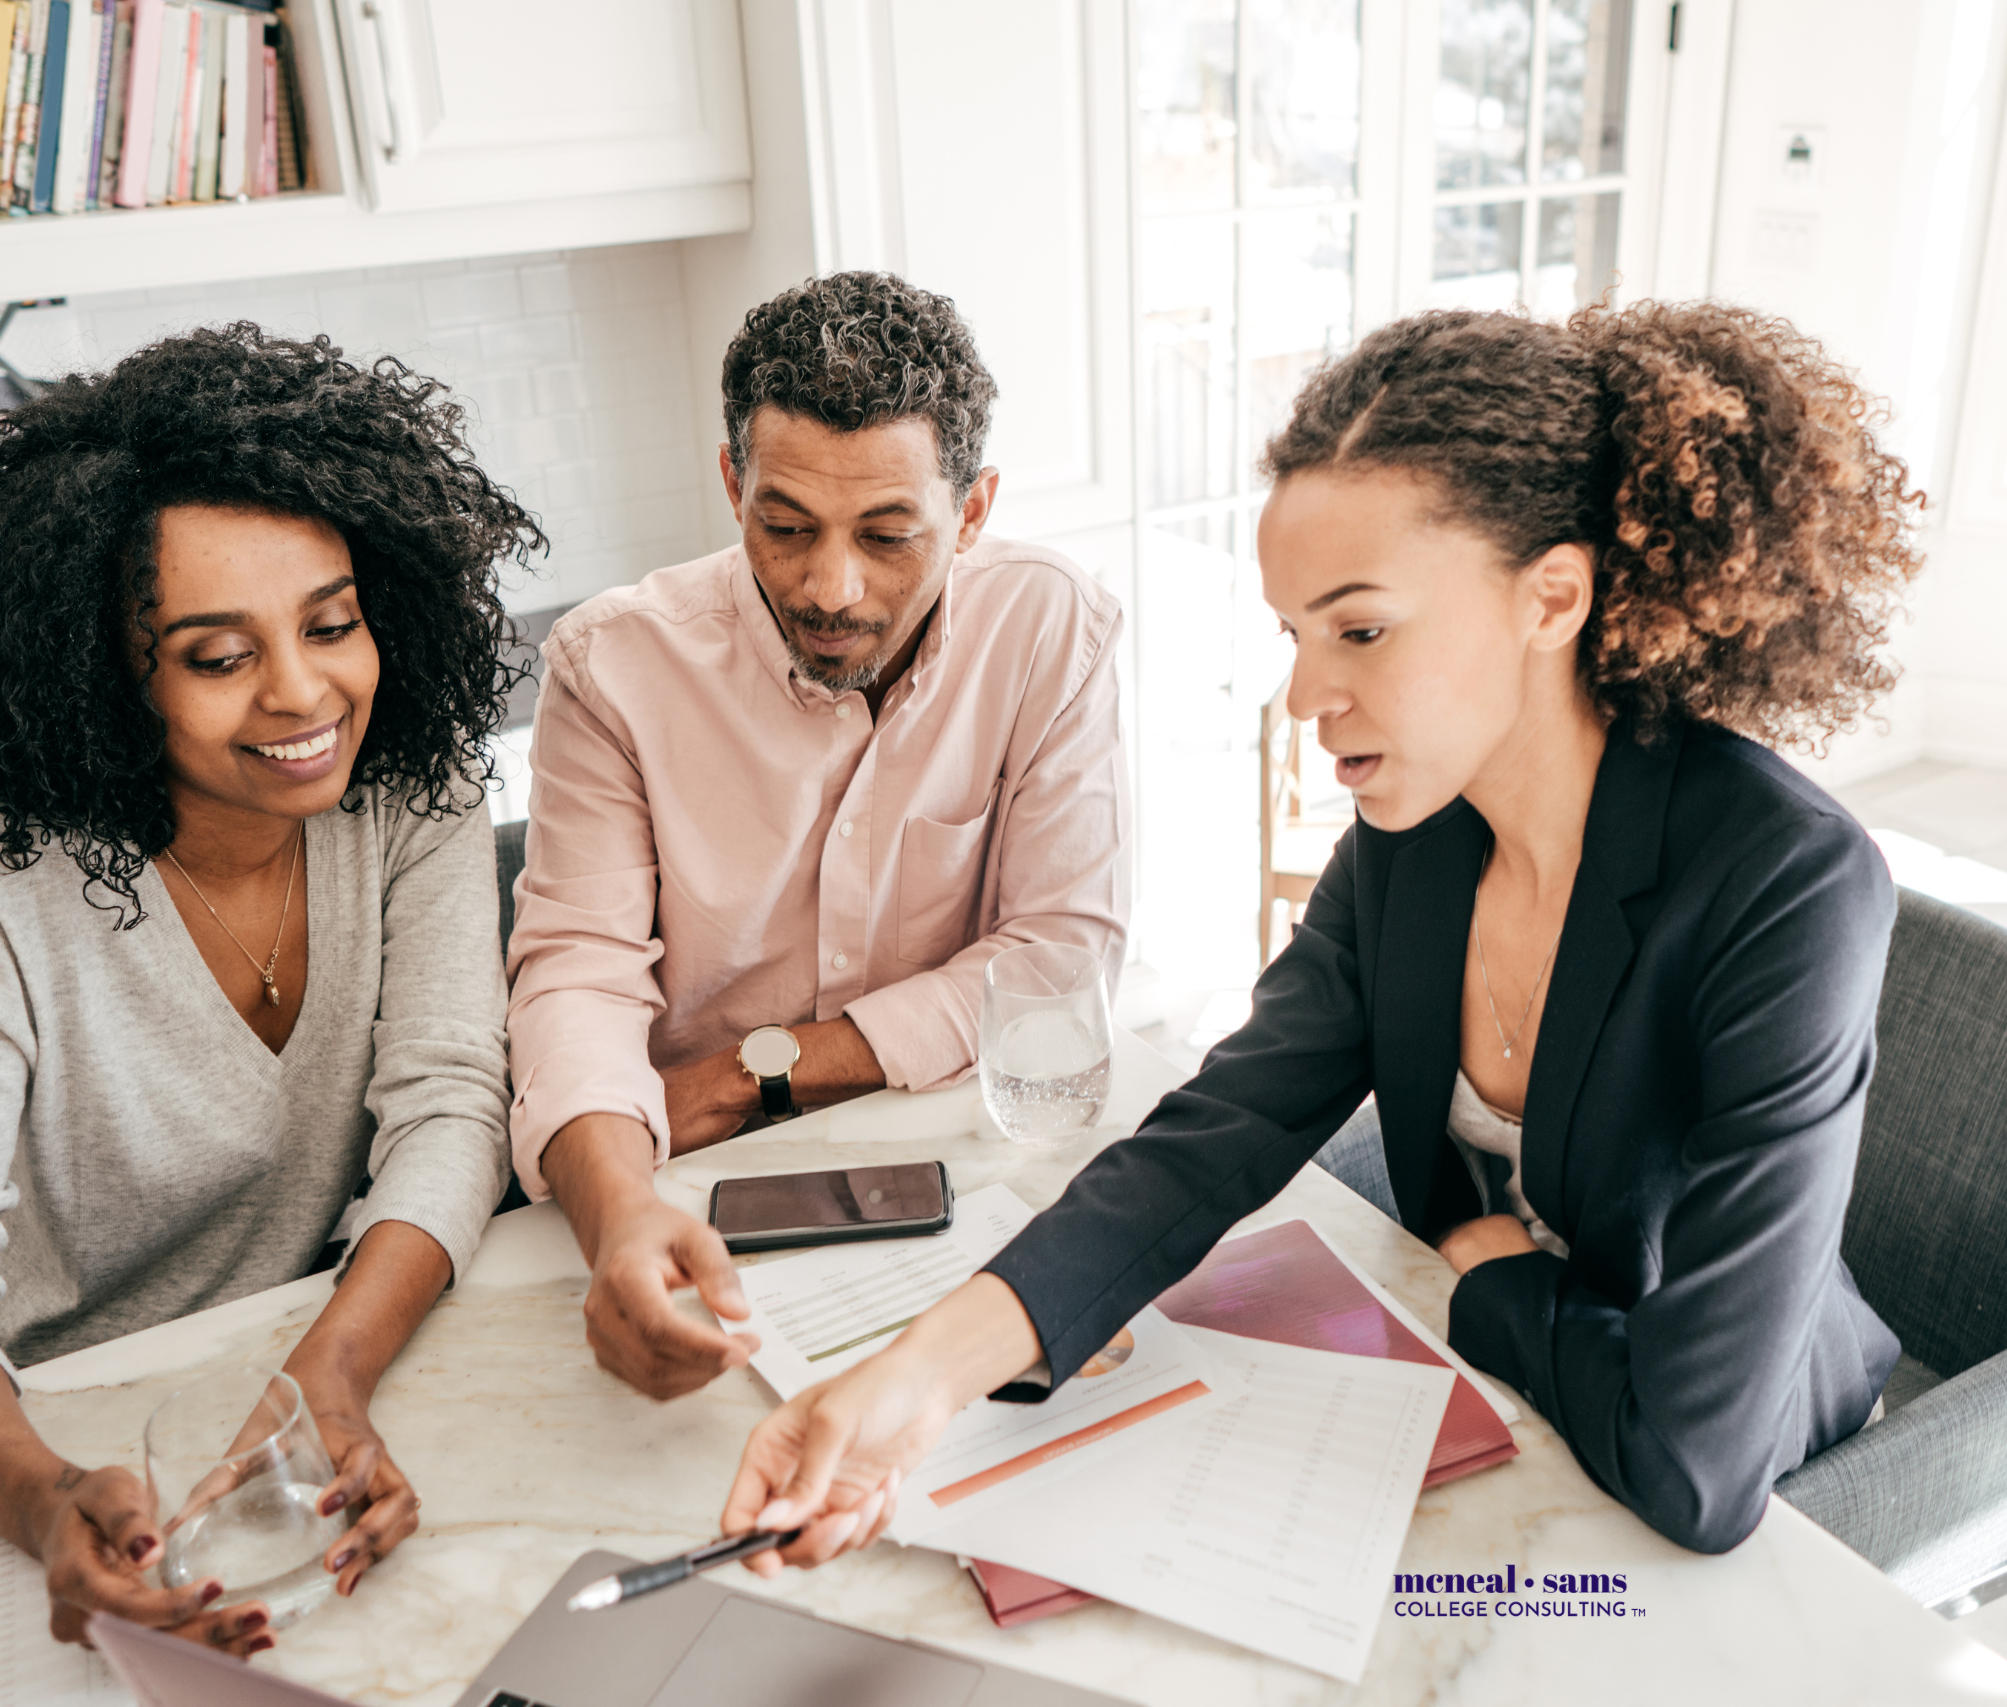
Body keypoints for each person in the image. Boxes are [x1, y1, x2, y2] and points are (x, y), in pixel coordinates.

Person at [719, 301, 1927, 1564]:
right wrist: (912, 1385)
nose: (1306, 696)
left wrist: (1486, 1273)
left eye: (1361, 629)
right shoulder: (1419, 836)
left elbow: (1697, 1469)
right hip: (1519, 1412)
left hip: (1757, 1502)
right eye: (1295, 635)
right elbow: (1222, 1126)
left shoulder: (1784, 885)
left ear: (1551, 598)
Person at [0, 324, 538, 1651]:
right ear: (108, 672)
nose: (303, 690)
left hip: (325, 1361)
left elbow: (450, 1103)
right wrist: (43, 1496)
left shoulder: (414, 789)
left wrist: (332, 1369)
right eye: (217, 654)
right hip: (56, 1432)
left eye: (331, 622)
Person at [506, 272, 1131, 1401]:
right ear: (731, 483)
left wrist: (759, 1072)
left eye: (889, 536)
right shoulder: (612, 666)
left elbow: (1059, 960)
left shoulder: (1049, 625)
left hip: (954, 1159)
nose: (829, 587)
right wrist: (618, 1227)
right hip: (691, 1184)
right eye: (782, 527)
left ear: (973, 512)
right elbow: (576, 981)